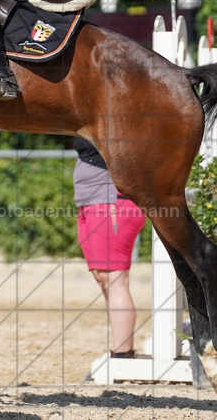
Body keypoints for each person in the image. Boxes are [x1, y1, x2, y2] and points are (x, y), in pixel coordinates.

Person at [73, 136, 147, 358]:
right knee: (102, 277)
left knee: (115, 281)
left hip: (111, 201)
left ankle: (123, 353)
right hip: (92, 202)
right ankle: (120, 349)